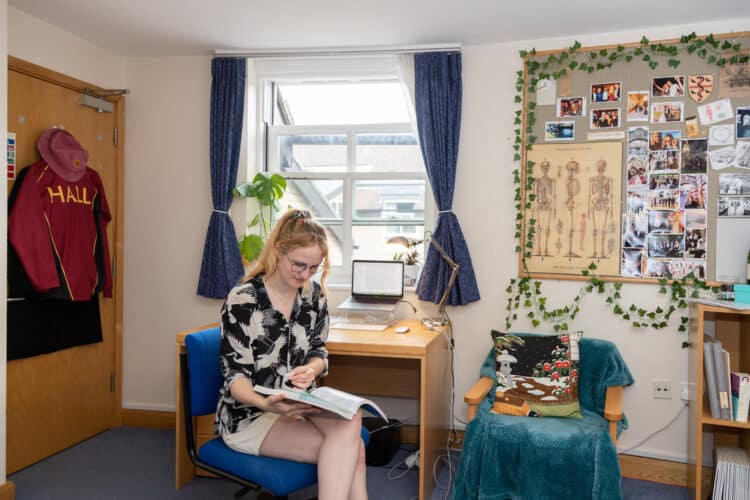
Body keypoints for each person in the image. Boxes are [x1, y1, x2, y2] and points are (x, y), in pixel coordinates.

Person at [216, 209, 367, 500]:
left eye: (314, 267)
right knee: (354, 450)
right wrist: (267, 404)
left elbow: (319, 353)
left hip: (298, 405)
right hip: (250, 415)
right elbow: (235, 378)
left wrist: (311, 369)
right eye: (299, 264)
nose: (305, 274)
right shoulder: (244, 299)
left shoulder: (313, 296)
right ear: (277, 251)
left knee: (353, 419)